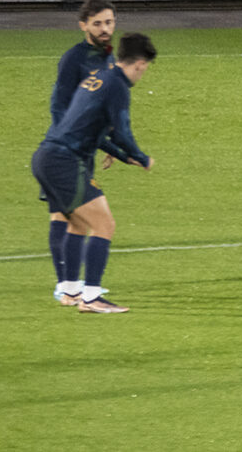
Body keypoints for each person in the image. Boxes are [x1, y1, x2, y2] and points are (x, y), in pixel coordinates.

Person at [29, 32, 156, 313]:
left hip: (45, 158)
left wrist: (124, 158)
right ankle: (92, 298)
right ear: (139, 64)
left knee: (78, 224)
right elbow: (122, 131)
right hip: (65, 162)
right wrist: (142, 157)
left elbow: (94, 134)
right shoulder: (118, 86)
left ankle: (72, 291)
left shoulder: (97, 79)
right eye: (145, 68)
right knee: (104, 225)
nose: (142, 74)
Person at [46, 0, 114, 306]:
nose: (104, 29)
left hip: (84, 148)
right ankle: (65, 285)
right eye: (97, 23)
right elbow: (59, 105)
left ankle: (71, 287)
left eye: (109, 22)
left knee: (75, 217)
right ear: (83, 25)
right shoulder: (74, 59)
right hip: (65, 149)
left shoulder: (107, 58)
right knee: (64, 213)